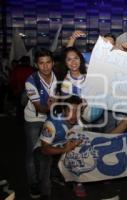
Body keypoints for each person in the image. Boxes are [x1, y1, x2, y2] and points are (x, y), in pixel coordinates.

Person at [24, 48, 57, 199]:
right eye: (41, 63)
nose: (45, 66)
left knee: (48, 151)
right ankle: (33, 184)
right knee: (32, 153)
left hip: (51, 118)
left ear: (53, 63)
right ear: (37, 65)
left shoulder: (58, 77)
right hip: (34, 119)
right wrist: (52, 106)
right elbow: (39, 108)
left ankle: (47, 180)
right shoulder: (31, 81)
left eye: (48, 62)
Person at [38, 95, 83, 199]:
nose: (74, 115)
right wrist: (64, 149)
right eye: (70, 111)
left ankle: (74, 181)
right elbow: (44, 149)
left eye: (77, 111)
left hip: (63, 151)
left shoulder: (80, 124)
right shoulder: (52, 123)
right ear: (63, 110)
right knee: (44, 161)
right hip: (46, 150)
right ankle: (45, 192)